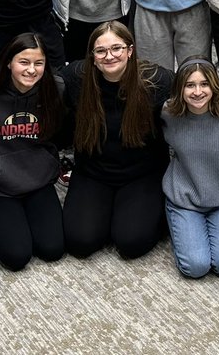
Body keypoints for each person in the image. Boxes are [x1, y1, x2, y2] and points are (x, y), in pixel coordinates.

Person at [59, 21, 172, 259]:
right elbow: (41, 86)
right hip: (93, 172)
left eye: (117, 48)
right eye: (101, 51)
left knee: (131, 243)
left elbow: (196, 89)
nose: (109, 56)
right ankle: (109, 212)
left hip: (142, 173)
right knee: (80, 242)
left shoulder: (156, 80)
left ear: (130, 50)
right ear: (92, 55)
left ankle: (138, 212)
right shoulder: (76, 78)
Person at [0, 33, 66, 271]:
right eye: (24, 62)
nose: (31, 70)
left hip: (38, 179)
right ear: (9, 62)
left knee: (52, 249)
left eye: (38, 63)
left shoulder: (55, 89)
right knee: (16, 256)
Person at [160, 59, 219, 279]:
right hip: (184, 198)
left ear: (215, 86)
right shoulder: (169, 113)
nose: (198, 91)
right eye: (190, 85)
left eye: (204, 84)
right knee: (196, 267)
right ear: (180, 87)